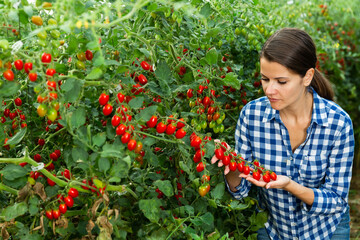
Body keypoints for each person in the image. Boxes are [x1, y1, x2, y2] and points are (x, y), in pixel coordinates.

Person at [212, 28, 354, 240]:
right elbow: (240, 191)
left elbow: (335, 200)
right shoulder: (252, 116)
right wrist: (231, 164)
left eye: (281, 81)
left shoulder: (337, 124)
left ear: (307, 77)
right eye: (265, 79)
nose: (269, 90)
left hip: (326, 231)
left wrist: (289, 185)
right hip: (274, 230)